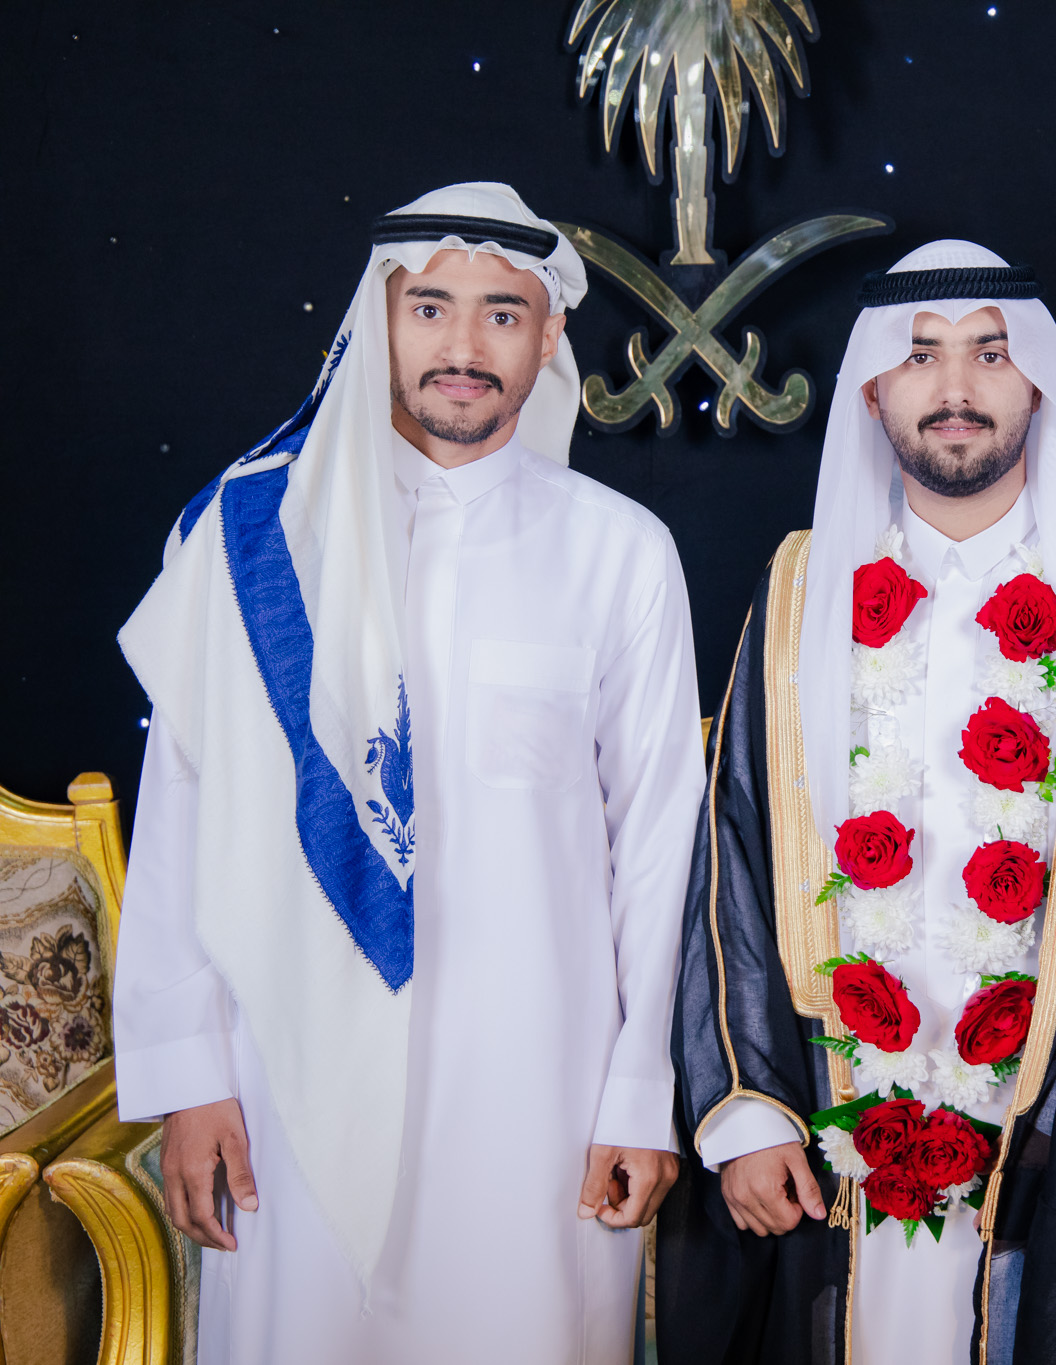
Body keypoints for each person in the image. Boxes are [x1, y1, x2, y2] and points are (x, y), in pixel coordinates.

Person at [658, 241, 1056, 1365]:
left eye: (989, 354)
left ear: (1036, 383)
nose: (955, 388)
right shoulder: (802, 588)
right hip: (843, 1114)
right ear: (873, 390)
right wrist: (748, 1107)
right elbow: (736, 854)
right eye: (920, 357)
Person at [113, 182, 704, 1363]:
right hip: (287, 1083)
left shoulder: (619, 552)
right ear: (376, 319)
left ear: (549, 338)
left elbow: (656, 845)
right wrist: (188, 1077)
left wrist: (639, 1092)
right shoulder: (252, 538)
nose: (463, 346)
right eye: (429, 307)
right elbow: (181, 814)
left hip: (540, 1092)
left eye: (502, 313)